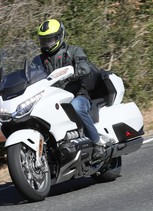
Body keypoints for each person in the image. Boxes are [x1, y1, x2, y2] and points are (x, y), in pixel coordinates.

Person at [37, 19, 106, 159]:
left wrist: (76, 73)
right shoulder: (39, 60)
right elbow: (30, 76)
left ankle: (97, 142)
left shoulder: (74, 51)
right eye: (44, 40)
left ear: (59, 36)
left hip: (77, 95)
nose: (47, 44)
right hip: (51, 98)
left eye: (50, 40)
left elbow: (84, 65)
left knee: (76, 107)